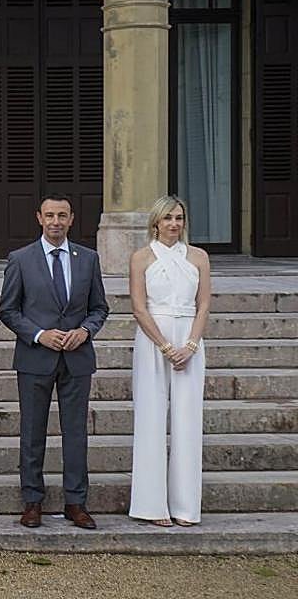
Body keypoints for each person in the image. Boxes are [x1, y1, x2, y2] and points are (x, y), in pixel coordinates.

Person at [0, 194, 109, 530]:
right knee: (33, 432)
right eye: (50, 215)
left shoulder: (88, 259)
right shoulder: (21, 259)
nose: (56, 221)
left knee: (75, 434)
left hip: (77, 358)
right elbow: (8, 310)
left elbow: (99, 308)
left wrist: (86, 332)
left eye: (62, 215)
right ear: (39, 218)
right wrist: (38, 334)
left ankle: (76, 502)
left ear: (72, 219)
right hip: (35, 357)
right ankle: (33, 501)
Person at [128, 195, 210, 527]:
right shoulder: (141, 257)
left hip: (190, 337)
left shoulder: (199, 257)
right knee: (150, 418)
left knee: (188, 420)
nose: (174, 224)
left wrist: (190, 344)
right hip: (153, 340)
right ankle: (151, 505)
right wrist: (164, 345)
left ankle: (186, 506)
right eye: (167, 218)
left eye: (179, 218)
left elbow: (203, 304)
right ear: (156, 222)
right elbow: (138, 307)